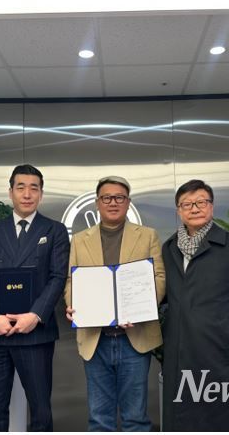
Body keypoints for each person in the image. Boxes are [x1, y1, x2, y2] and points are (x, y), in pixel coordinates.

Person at [0, 164, 70, 432]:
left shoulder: (55, 231)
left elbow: (57, 277)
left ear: (41, 194)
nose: (27, 194)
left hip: (35, 333)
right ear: (10, 192)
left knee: (41, 411)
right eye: (20, 187)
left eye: (33, 188)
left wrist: (35, 316)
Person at [161, 179, 229, 431]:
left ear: (212, 206)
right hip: (179, 351)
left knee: (222, 417)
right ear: (179, 211)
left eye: (201, 202)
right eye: (187, 204)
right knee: (181, 418)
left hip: (219, 351)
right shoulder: (169, 249)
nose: (194, 208)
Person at [64, 175, 165, 431]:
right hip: (95, 339)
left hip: (135, 337)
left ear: (128, 202)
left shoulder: (148, 236)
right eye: (107, 197)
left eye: (119, 197)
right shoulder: (79, 239)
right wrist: (72, 304)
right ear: (97, 203)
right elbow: (71, 280)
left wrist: (142, 309)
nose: (113, 202)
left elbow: (159, 277)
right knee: (99, 419)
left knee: (135, 418)